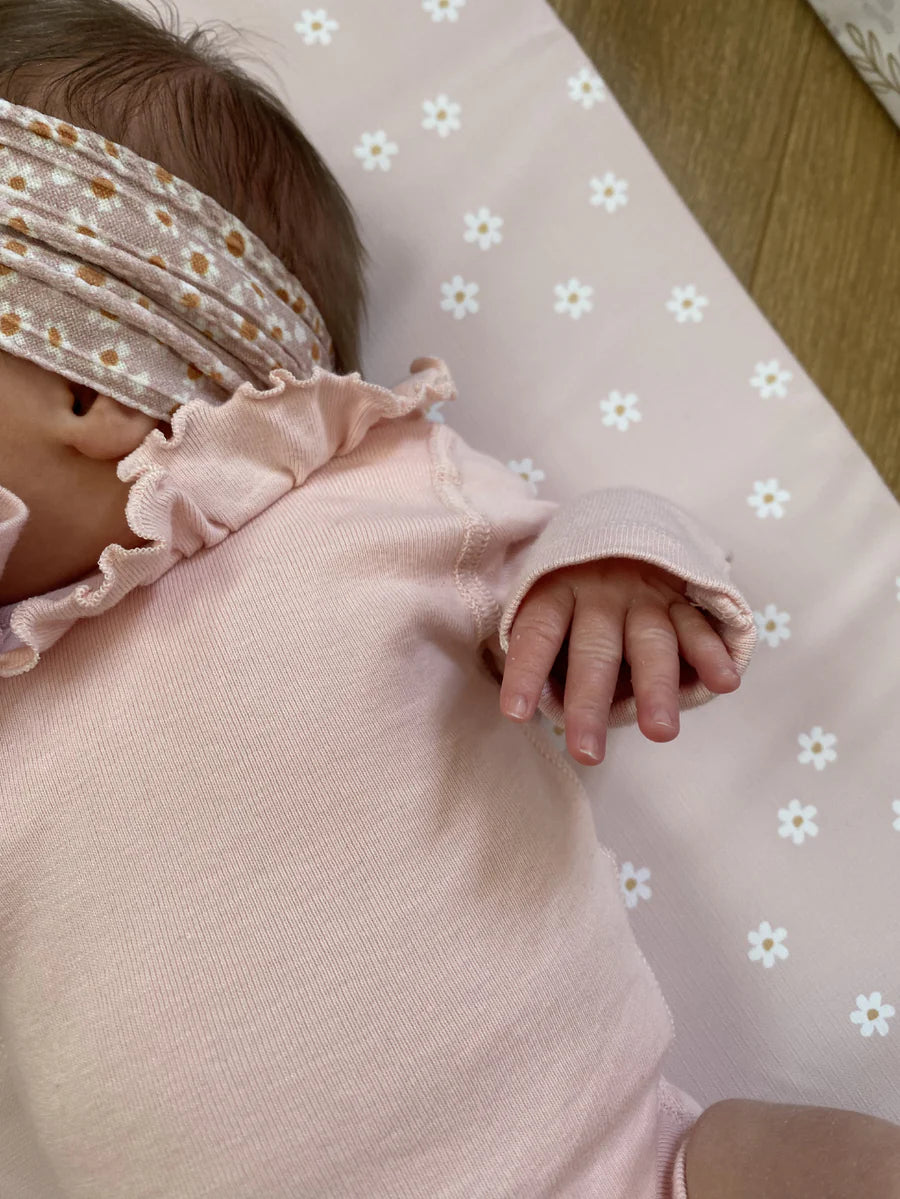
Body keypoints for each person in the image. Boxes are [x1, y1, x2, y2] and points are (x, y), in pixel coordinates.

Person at [1, 2, 898, 1196]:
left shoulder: (358, 509)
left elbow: (570, 535)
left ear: (90, 385)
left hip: (617, 1165)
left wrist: (610, 575)